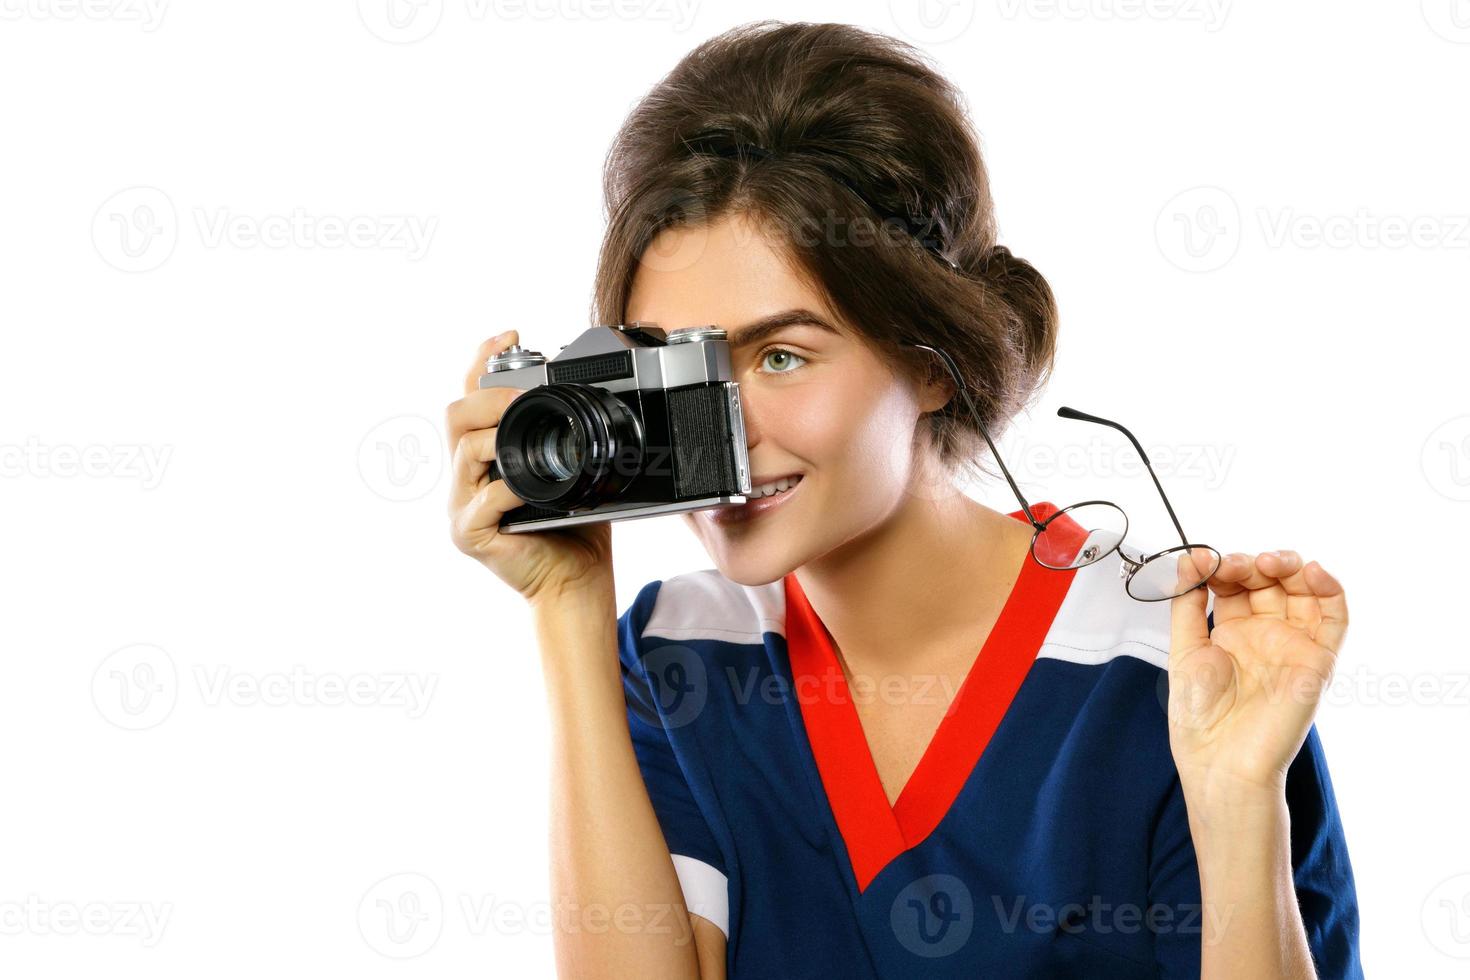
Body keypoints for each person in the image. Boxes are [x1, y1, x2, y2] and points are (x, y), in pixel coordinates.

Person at [448, 20, 1362, 979]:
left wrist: (1235, 798)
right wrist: (567, 608)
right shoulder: (677, 653)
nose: (717, 429)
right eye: (678, 370)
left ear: (932, 362)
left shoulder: (1173, 652)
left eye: (781, 356)